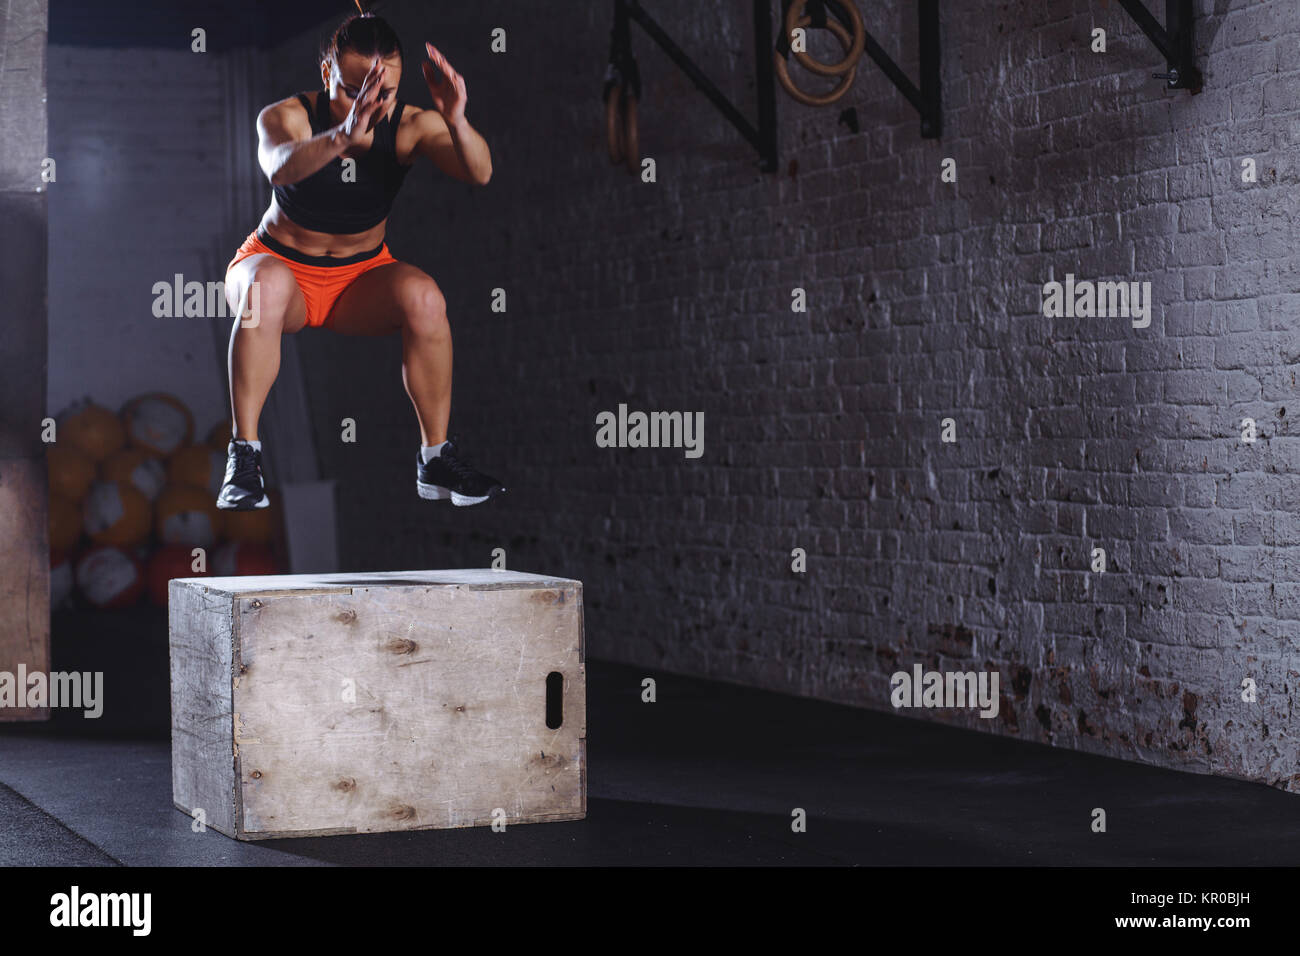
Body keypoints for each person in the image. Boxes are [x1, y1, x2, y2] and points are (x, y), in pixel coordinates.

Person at [217, 9, 504, 510]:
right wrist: (343, 135)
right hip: (276, 268)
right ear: (327, 73)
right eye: (353, 90)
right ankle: (244, 458)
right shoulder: (285, 116)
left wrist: (456, 118)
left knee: (425, 297)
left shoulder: (411, 125)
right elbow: (279, 170)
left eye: (383, 92)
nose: (370, 104)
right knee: (265, 286)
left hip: (358, 280)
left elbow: (479, 173)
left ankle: (434, 457)